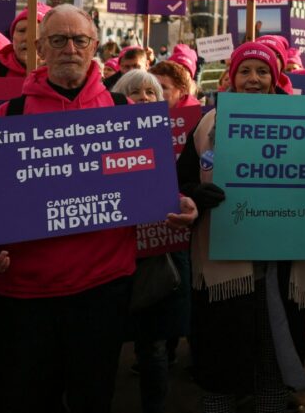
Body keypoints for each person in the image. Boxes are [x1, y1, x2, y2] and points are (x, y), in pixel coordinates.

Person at [0, 4, 195, 412]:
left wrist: (179, 203)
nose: (70, 48)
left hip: (100, 294)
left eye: (79, 39)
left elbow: (151, 188)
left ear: (94, 47)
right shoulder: (9, 114)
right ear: (41, 48)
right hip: (23, 297)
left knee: (92, 400)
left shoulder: (124, 115)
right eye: (58, 39)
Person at [180, 42, 305, 412]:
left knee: (272, 367)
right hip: (224, 270)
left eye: (262, 72)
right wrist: (197, 194)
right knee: (220, 365)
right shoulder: (208, 124)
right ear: (232, 77)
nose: (253, 79)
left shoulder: (301, 122)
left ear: (275, 79)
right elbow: (181, 183)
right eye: (245, 71)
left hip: (278, 271)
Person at [113, 70, 192, 413]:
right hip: (112, 257)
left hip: (158, 257)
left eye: (151, 92)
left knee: (154, 346)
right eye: (134, 91)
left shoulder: (180, 137)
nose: (143, 97)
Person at [0, 3, 50, 77]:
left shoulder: (60, 76)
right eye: (21, 30)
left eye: (36, 31)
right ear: (13, 37)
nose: (27, 37)